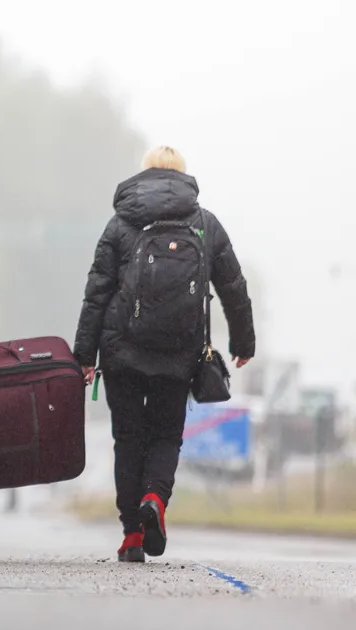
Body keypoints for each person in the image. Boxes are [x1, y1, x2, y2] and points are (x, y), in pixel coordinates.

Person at [73, 146, 255, 562]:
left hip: (120, 349)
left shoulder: (120, 225)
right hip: (178, 350)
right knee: (166, 435)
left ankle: (132, 536)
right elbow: (234, 286)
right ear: (182, 177)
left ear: (144, 174)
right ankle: (155, 497)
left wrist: (85, 354)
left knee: (128, 437)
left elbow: (96, 293)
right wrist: (243, 342)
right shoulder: (205, 225)